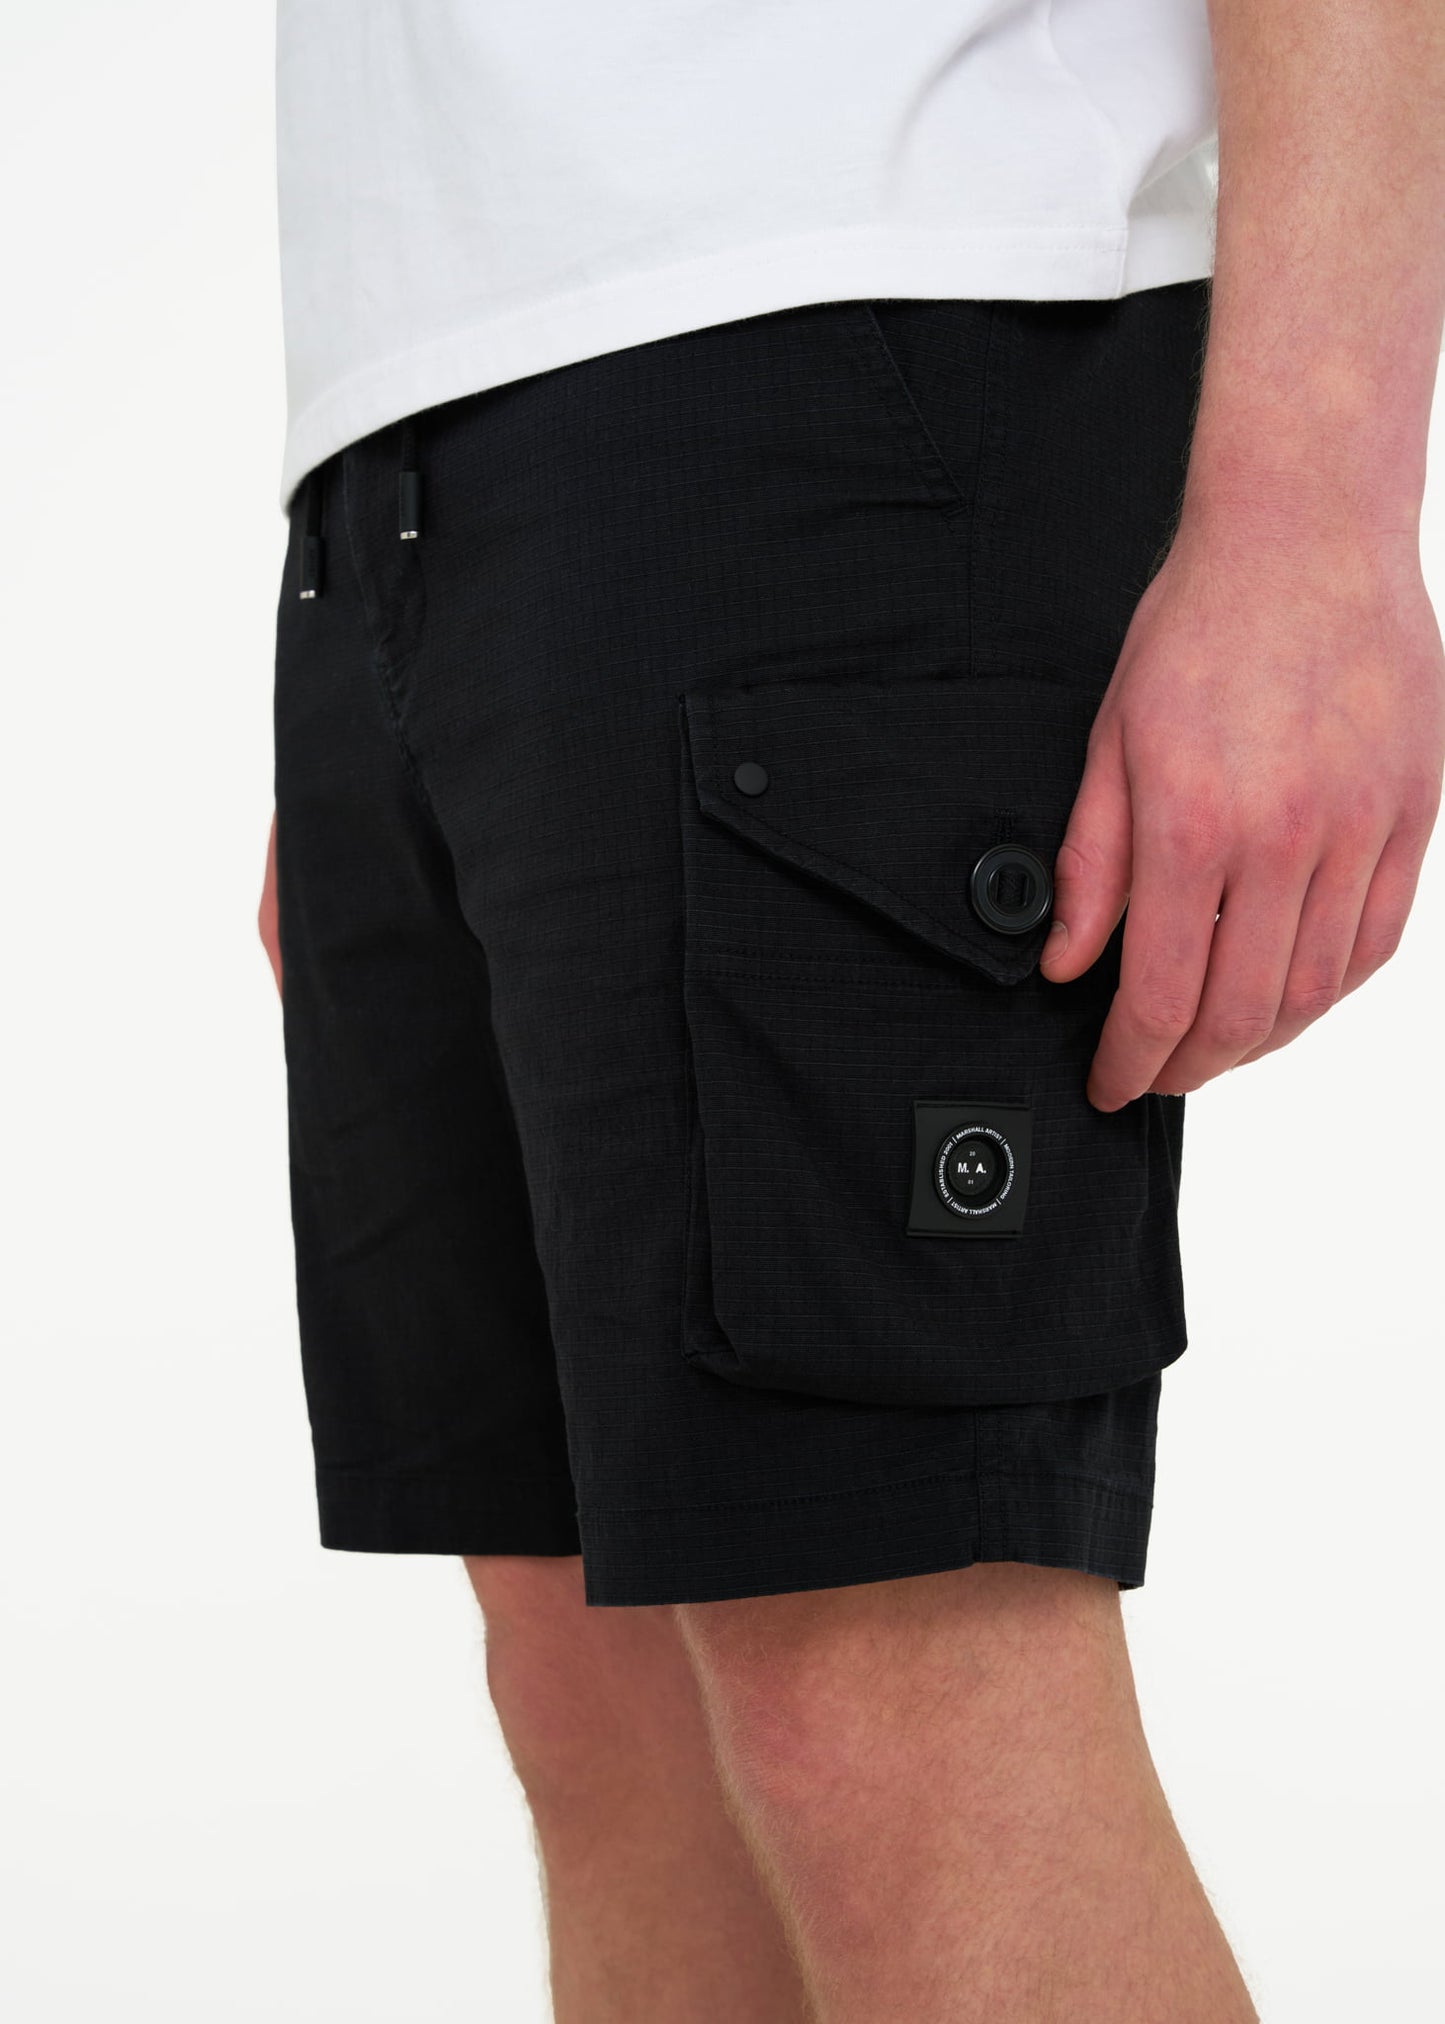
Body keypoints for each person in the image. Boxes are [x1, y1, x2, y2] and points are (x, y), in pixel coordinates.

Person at [256, 4, 1445, 2017]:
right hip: (421, 434)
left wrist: (1315, 508)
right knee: (594, 1688)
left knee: (890, 1697)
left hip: (851, 318)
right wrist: (419, 699)